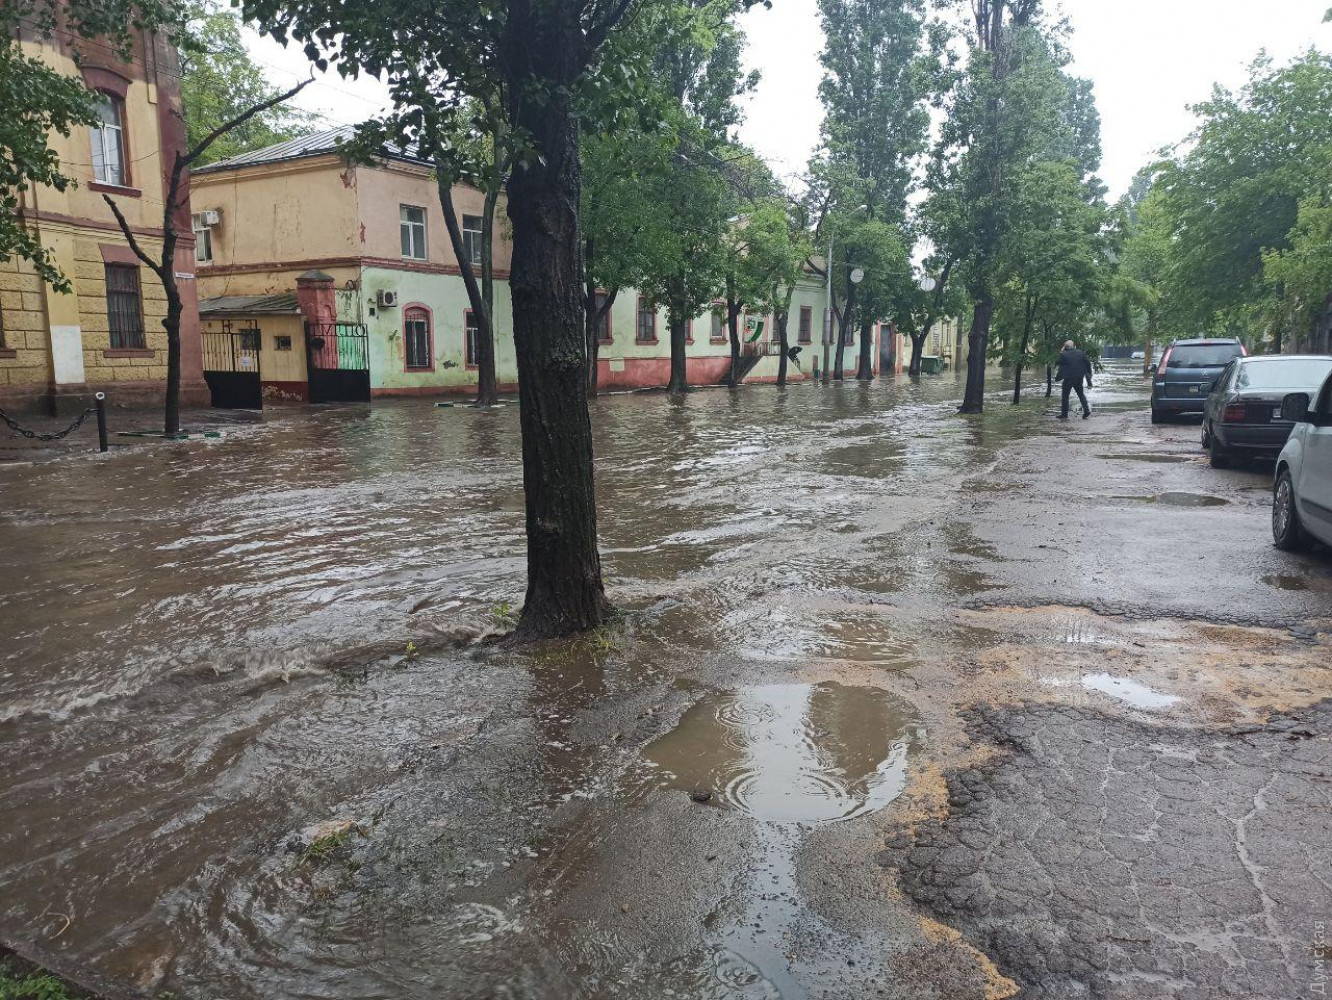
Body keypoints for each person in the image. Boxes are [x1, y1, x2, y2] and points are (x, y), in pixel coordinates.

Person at [1055, 340, 1093, 419]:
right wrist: (1089, 373)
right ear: (1074, 346)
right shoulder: (1081, 353)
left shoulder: (1064, 354)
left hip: (1068, 378)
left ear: (1065, 347)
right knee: (1081, 394)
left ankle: (1064, 415)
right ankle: (1086, 410)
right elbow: (1087, 362)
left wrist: (1061, 352)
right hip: (1079, 377)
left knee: (1065, 396)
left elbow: (1058, 362)